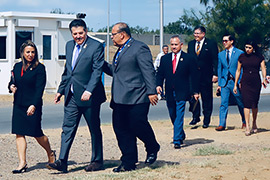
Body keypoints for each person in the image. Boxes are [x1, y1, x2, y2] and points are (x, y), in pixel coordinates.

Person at [48, 19, 106, 173]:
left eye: (81, 33)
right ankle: (62, 161)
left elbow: (97, 71)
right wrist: (60, 90)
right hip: (71, 94)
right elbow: (68, 71)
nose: (78, 36)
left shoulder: (96, 46)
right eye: (75, 34)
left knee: (94, 128)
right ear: (71, 33)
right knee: (67, 128)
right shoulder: (69, 45)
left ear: (86, 31)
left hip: (89, 96)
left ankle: (97, 161)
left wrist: (89, 90)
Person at [103, 22, 160, 172]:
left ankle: (152, 146)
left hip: (137, 96)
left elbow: (148, 70)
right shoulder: (120, 50)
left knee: (137, 125)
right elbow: (117, 72)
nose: (112, 38)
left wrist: (152, 91)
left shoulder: (139, 48)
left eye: (113, 35)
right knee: (121, 130)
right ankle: (128, 162)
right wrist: (102, 65)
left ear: (122, 34)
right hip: (119, 98)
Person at [8, 40, 56, 174]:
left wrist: (33, 105)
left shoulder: (40, 68)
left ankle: (50, 153)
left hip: (32, 105)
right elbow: (12, 81)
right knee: (19, 133)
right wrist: (11, 86)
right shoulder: (17, 67)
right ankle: (22, 163)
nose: (30, 54)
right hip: (18, 105)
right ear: (22, 53)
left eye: (33, 52)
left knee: (36, 133)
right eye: (28, 52)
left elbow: (39, 89)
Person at [156, 35, 199, 149]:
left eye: (176, 44)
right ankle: (180, 133)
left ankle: (176, 140)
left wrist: (195, 91)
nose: (174, 47)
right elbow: (160, 74)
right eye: (172, 44)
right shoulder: (165, 59)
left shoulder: (189, 58)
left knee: (179, 115)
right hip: (169, 91)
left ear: (181, 45)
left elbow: (194, 76)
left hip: (183, 91)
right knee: (172, 114)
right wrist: (158, 85)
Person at [233, 40, 267, 136]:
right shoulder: (242, 57)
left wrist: (264, 78)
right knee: (246, 104)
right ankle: (247, 126)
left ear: (253, 48)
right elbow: (238, 71)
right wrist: (235, 84)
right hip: (245, 82)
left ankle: (254, 123)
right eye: (246, 47)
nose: (247, 49)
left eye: (249, 48)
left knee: (254, 104)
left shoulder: (259, 57)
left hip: (255, 81)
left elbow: (263, 68)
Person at [187, 26, 219, 128]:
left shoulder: (211, 44)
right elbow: (189, 59)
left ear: (203, 34)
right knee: (193, 97)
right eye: (195, 33)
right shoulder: (191, 44)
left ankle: (206, 119)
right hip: (193, 76)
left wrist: (215, 74)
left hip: (206, 76)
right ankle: (195, 116)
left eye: (198, 33)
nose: (196, 35)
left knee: (206, 98)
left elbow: (215, 60)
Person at [215, 34, 245, 131]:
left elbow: (242, 69)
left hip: (235, 82)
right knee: (223, 103)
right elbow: (220, 70)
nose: (224, 42)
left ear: (231, 41)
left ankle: (244, 121)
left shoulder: (240, 53)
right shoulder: (220, 54)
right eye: (223, 41)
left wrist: (240, 82)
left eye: (226, 41)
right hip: (225, 82)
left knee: (240, 103)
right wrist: (219, 84)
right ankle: (222, 124)